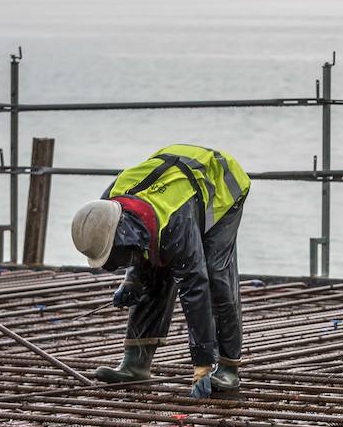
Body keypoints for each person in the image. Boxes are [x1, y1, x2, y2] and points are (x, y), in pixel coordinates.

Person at [70, 144, 250, 397]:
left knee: (213, 276)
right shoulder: (106, 207)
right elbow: (138, 237)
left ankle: (228, 368)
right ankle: (136, 363)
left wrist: (201, 364)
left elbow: (194, 290)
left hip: (221, 182)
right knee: (156, 266)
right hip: (174, 189)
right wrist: (131, 281)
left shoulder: (176, 225)